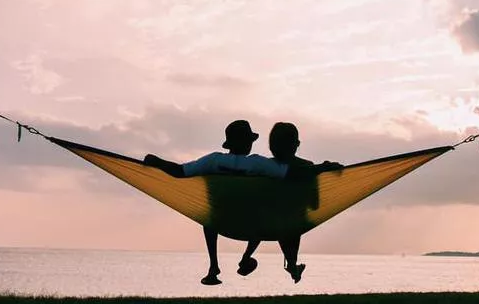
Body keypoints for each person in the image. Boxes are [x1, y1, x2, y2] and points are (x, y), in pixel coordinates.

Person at [144, 120, 340, 286]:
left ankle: (213, 266)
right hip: (252, 224)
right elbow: (293, 173)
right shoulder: (258, 164)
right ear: (248, 143)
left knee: (208, 212)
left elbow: (179, 171)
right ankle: (257, 260)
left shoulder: (213, 161)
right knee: (263, 206)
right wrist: (322, 167)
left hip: (221, 222)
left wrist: (158, 161)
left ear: (228, 144)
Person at [236, 122, 337, 283]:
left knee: (266, 216)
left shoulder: (264, 167)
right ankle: (291, 263)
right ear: (296, 144)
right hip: (290, 223)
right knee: (293, 218)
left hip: (263, 222)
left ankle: (247, 256)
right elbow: (314, 204)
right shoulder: (308, 168)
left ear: (271, 146)